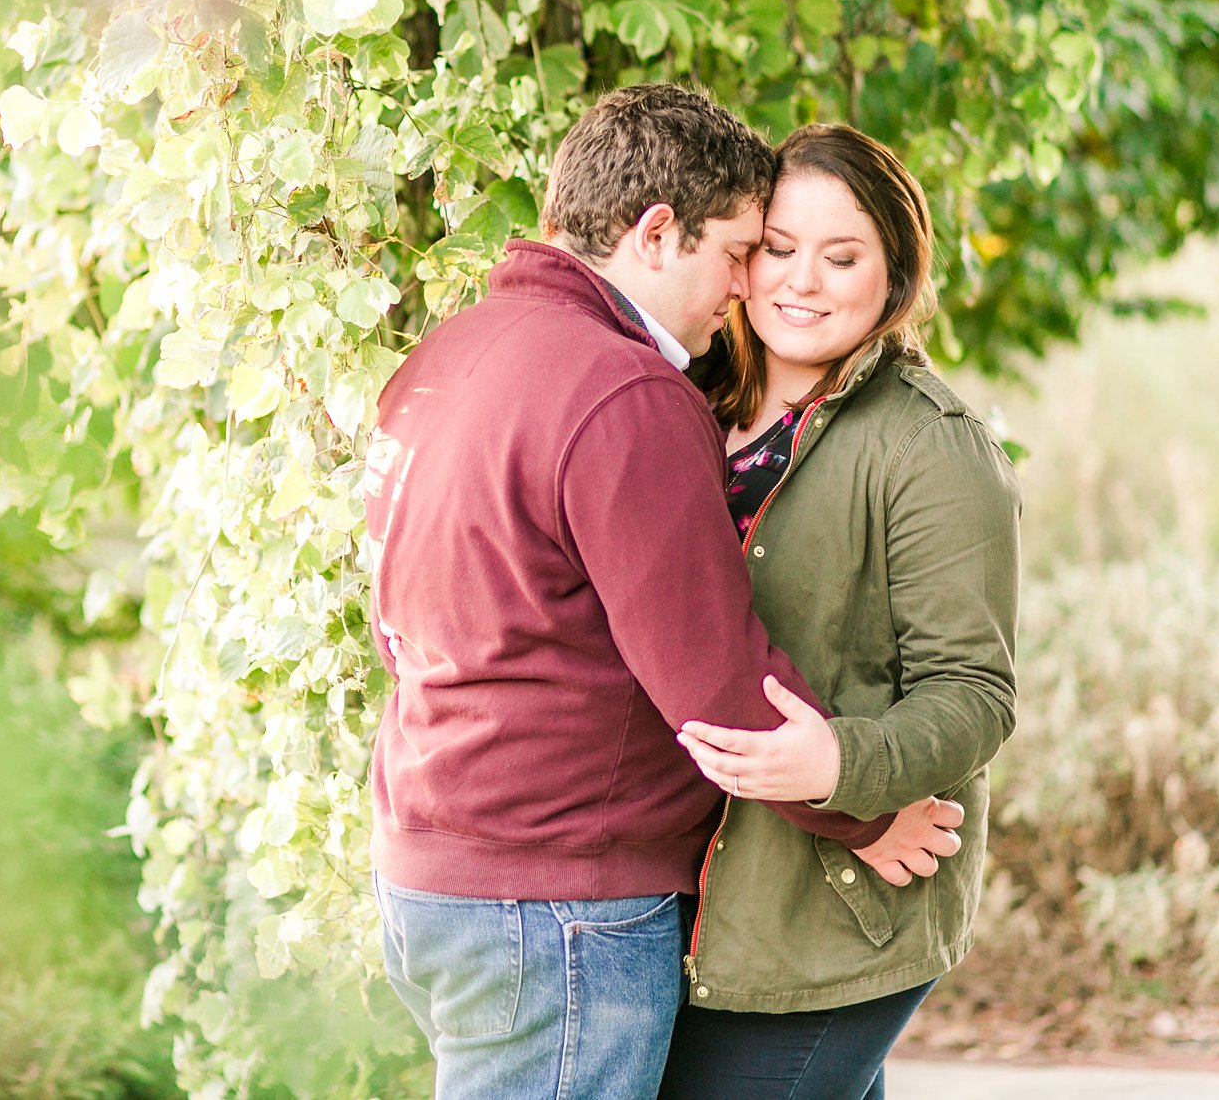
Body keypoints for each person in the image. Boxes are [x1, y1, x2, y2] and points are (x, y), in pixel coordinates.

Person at [359, 87, 967, 1100]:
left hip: (429, 867)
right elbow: (717, 688)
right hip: (556, 901)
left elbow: (403, 618)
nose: (743, 285)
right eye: (737, 251)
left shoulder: (448, 357)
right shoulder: (623, 392)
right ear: (654, 233)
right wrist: (862, 816)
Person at [660, 123, 1021, 1100]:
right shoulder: (681, 404)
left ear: (894, 273)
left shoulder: (931, 447)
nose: (801, 281)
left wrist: (841, 766)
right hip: (683, 898)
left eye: (841, 255)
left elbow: (974, 696)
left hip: (836, 911)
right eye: (777, 249)